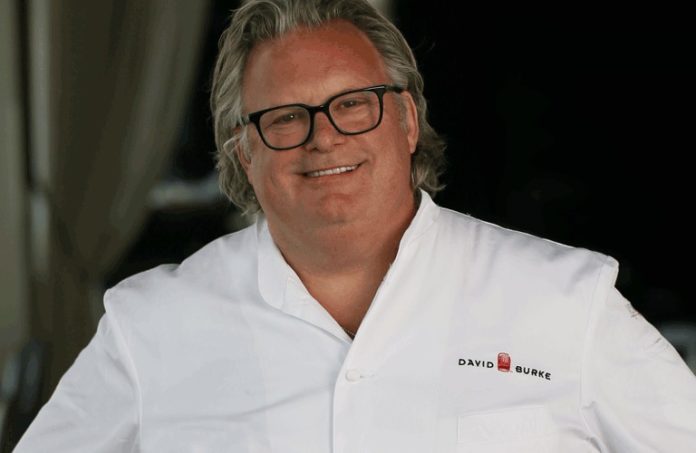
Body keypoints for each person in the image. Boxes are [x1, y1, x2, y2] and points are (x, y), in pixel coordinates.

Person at [15, 0, 696, 451]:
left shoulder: (567, 301)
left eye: (353, 104)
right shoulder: (150, 327)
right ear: (245, 154)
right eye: (285, 117)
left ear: (406, 121)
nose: (324, 137)